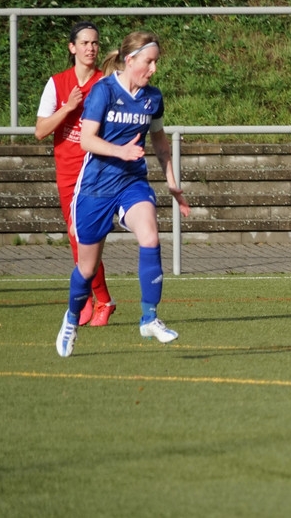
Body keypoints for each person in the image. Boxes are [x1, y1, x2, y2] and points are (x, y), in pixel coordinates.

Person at [54, 31, 190, 358]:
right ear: (130, 60)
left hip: (131, 182)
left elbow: (159, 141)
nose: (154, 69)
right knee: (87, 269)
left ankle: (149, 318)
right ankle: (71, 319)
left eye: (156, 62)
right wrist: (120, 151)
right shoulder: (103, 91)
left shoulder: (152, 98)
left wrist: (172, 183)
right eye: (149, 62)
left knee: (151, 237)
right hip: (96, 187)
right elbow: (87, 140)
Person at [35, 21, 115, 327]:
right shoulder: (57, 83)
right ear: (72, 47)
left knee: (83, 236)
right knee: (76, 239)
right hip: (67, 172)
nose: (91, 48)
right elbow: (40, 131)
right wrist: (67, 108)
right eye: (84, 43)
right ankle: (96, 300)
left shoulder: (105, 83)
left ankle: (97, 301)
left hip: (95, 171)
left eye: (95, 43)